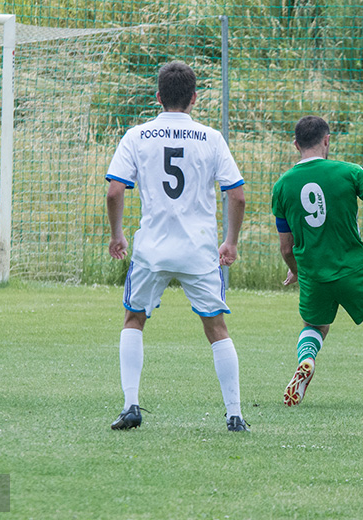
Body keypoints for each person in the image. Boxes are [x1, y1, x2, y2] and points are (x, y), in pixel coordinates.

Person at [105, 61, 248, 432]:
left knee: (133, 319)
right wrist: (230, 242)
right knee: (216, 328)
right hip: (198, 250)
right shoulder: (212, 138)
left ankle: (130, 405)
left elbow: (115, 189)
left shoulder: (137, 136)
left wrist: (117, 234)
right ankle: (234, 414)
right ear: (194, 98)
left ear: (157, 97)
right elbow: (238, 194)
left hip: (151, 249)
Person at [272, 115, 363, 410]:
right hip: (354, 268)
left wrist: (296, 270)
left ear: (296, 144)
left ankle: (307, 360)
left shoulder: (282, 185)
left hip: (313, 271)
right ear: (327, 140)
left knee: (315, 325)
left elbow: (286, 247)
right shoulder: (350, 172)